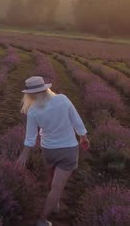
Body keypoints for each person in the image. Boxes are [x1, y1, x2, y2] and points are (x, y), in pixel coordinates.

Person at [15, 76, 90, 226]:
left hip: (49, 150)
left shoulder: (33, 111)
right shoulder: (62, 99)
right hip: (68, 149)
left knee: (52, 181)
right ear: (45, 89)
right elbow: (76, 120)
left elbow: (30, 138)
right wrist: (83, 137)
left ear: (30, 94)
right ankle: (42, 219)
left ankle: (54, 204)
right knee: (57, 187)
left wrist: (24, 155)